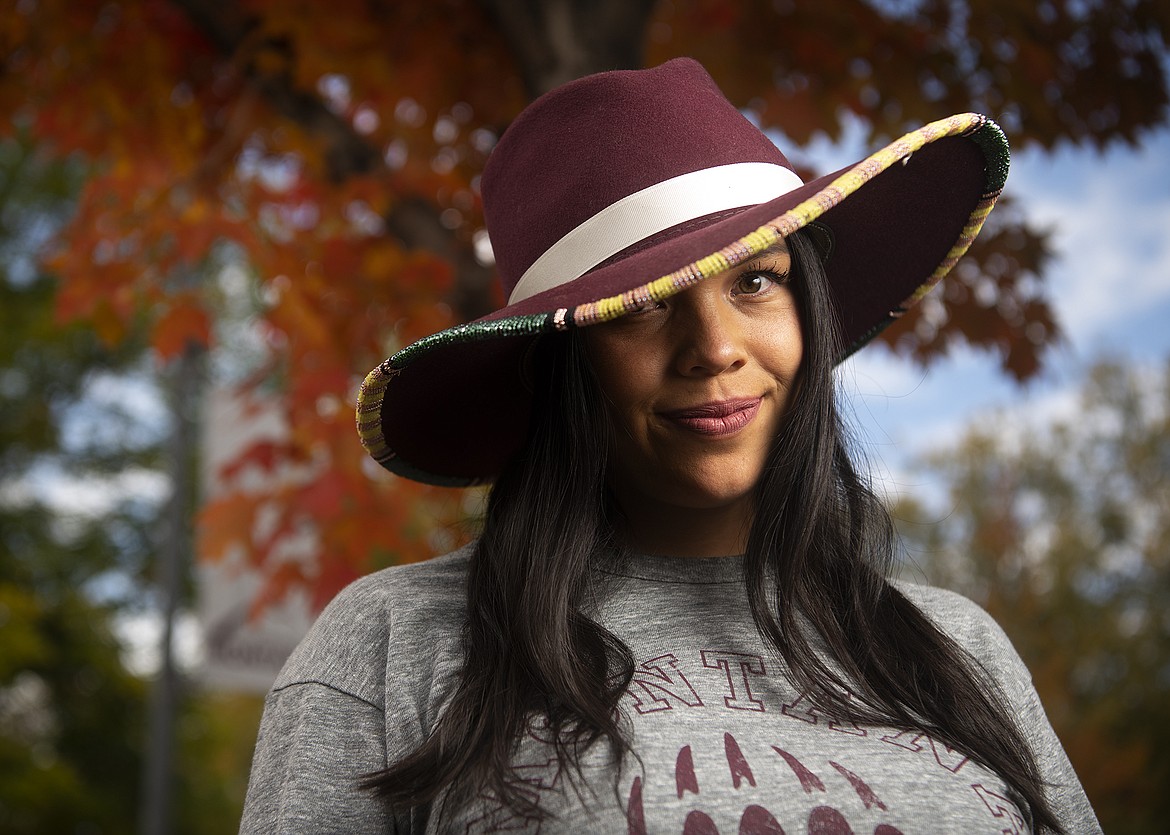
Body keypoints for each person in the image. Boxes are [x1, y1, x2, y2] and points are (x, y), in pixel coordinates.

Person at [240, 58, 1100, 834]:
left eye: (757, 281)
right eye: (645, 303)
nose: (715, 346)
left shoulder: (954, 647)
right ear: (557, 362)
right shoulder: (394, 642)